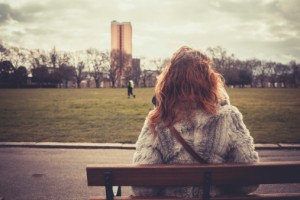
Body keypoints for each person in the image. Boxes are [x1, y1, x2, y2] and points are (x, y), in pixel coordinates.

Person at [132, 46, 259, 198]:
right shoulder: (229, 117)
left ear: (168, 81)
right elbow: (250, 181)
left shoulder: (157, 121)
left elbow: (143, 189)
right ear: (210, 81)